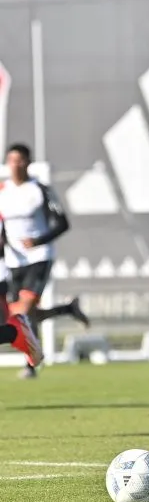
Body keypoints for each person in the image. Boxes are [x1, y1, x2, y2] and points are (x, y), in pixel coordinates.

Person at [0, 143, 89, 378]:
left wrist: (39, 240)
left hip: (39, 257)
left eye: (20, 160)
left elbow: (62, 223)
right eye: (11, 160)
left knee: (23, 311)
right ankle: (66, 310)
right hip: (12, 261)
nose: (15, 165)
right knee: (19, 316)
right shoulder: (2, 190)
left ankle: (30, 364)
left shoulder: (39, 189)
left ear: (28, 162)